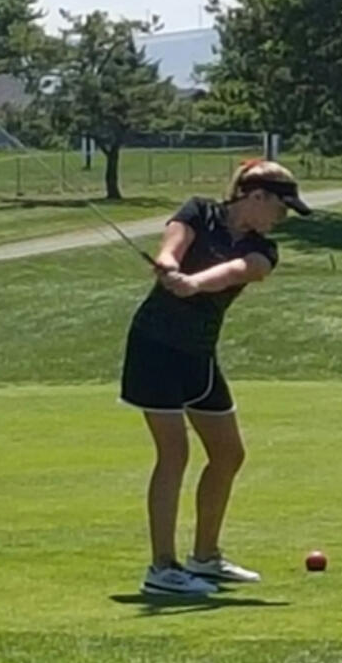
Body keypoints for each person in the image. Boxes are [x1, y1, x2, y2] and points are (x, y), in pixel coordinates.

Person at [120, 159, 312, 596]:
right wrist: (170, 266)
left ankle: (204, 558)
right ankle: (162, 569)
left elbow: (238, 272)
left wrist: (193, 283)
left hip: (199, 352)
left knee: (228, 454)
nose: (281, 219)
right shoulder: (199, 211)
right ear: (255, 196)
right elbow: (173, 244)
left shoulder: (265, 249)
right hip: (155, 345)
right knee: (174, 454)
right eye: (280, 208)